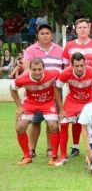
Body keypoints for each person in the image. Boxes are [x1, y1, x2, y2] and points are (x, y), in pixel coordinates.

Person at [10, 58, 62, 165]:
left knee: (53, 126)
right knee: (20, 127)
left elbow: (58, 87)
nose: (37, 72)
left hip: (48, 103)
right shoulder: (22, 79)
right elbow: (12, 88)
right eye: (34, 69)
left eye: (39, 69)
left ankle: (54, 156)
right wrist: (19, 106)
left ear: (44, 68)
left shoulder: (54, 74)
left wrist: (61, 109)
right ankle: (27, 156)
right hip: (30, 103)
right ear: (30, 69)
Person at [23, 24, 63, 158]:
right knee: (35, 121)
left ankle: (50, 149)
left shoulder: (60, 50)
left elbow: (65, 69)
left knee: (51, 121)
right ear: (37, 35)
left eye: (47, 33)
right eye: (42, 33)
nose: (45, 35)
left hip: (55, 90)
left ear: (51, 35)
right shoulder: (30, 50)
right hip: (36, 91)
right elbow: (27, 71)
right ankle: (31, 149)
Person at [55, 53, 92, 166]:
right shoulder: (66, 73)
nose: (80, 68)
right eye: (77, 66)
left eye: (82, 65)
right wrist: (61, 109)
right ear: (72, 65)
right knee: (64, 123)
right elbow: (57, 87)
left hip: (89, 100)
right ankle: (63, 156)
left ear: (85, 64)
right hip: (72, 100)